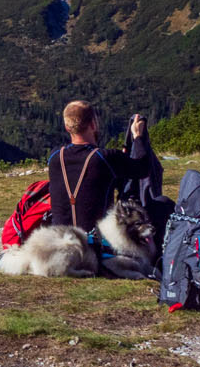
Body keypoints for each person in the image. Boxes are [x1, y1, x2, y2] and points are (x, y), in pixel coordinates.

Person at [46, 101, 162, 262]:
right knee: (162, 204)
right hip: (96, 246)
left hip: (60, 244)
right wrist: (138, 137)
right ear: (93, 124)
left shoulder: (54, 157)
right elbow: (143, 168)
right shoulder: (105, 158)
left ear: (67, 127)